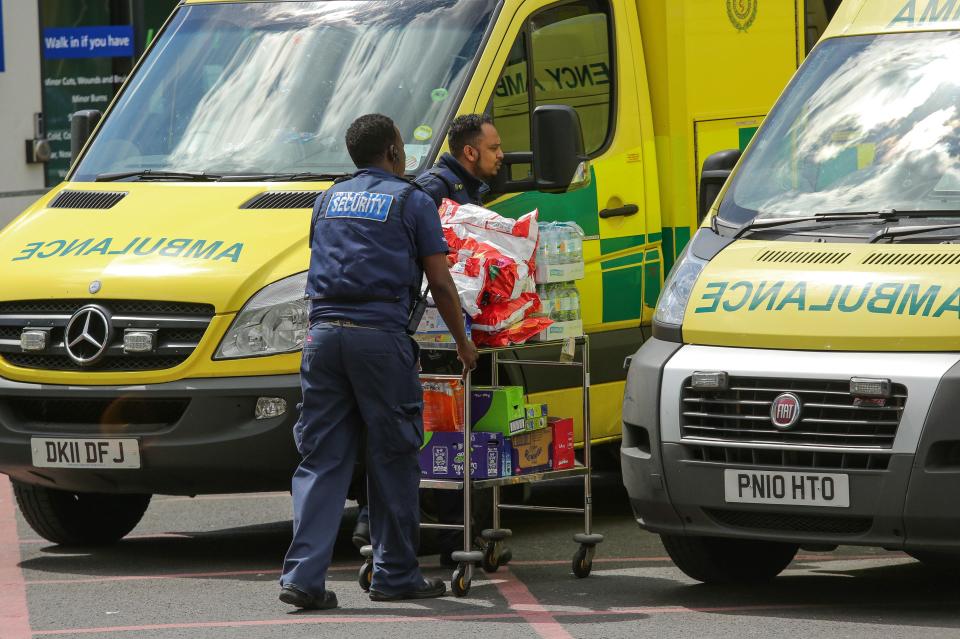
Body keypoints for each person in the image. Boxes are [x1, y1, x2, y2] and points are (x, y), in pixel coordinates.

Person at [279, 113, 478, 610]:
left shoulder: (327, 200)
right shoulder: (411, 201)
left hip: (323, 339)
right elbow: (441, 281)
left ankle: (303, 578)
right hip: (379, 341)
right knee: (392, 457)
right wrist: (463, 343)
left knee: (322, 459)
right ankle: (395, 573)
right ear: (393, 150)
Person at [351, 114, 504, 566]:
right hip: (427, 331)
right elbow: (432, 270)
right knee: (433, 430)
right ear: (470, 152)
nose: (502, 156)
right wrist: (459, 337)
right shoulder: (431, 190)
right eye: (494, 148)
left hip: (411, 325)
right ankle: (426, 529)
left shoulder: (467, 190)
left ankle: (424, 525)